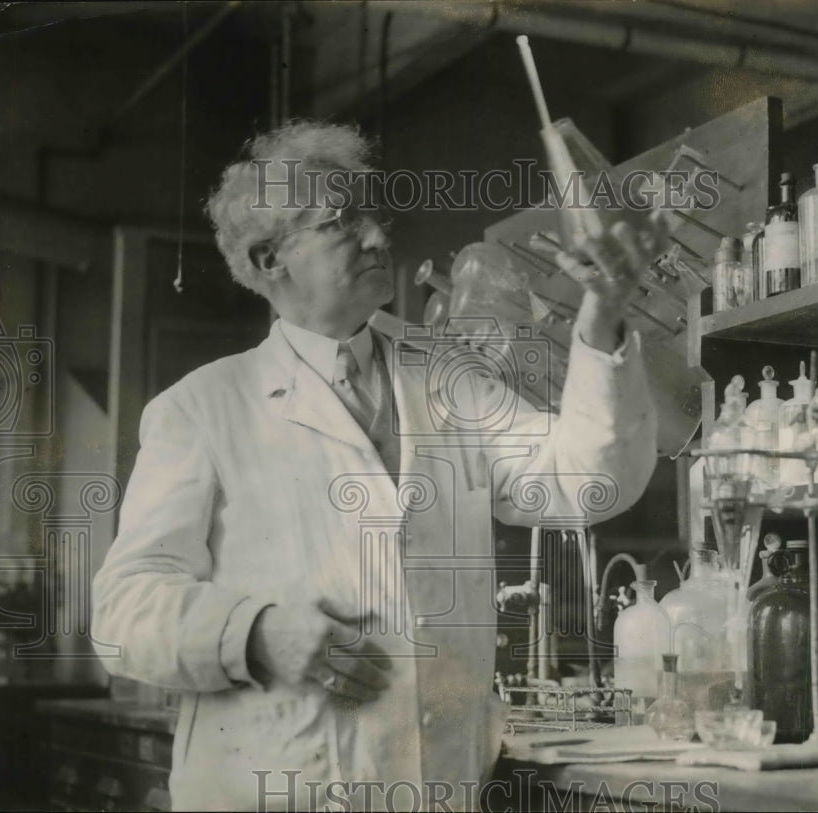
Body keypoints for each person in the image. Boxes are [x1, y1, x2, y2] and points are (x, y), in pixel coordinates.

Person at [91, 120, 658, 811]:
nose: (378, 238)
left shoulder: (449, 380)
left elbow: (583, 481)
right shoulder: (203, 408)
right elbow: (123, 613)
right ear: (271, 259)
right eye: (342, 222)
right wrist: (257, 632)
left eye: (375, 216)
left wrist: (602, 318)